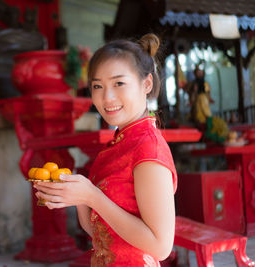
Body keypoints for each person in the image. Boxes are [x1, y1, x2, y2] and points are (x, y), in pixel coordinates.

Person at [33, 34, 177, 266]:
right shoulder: (118, 144)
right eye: (97, 86)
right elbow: (99, 232)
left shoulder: (148, 148)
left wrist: (92, 196)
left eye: (119, 83)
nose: (107, 97)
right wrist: (77, 196)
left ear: (146, 84)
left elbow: (160, 246)